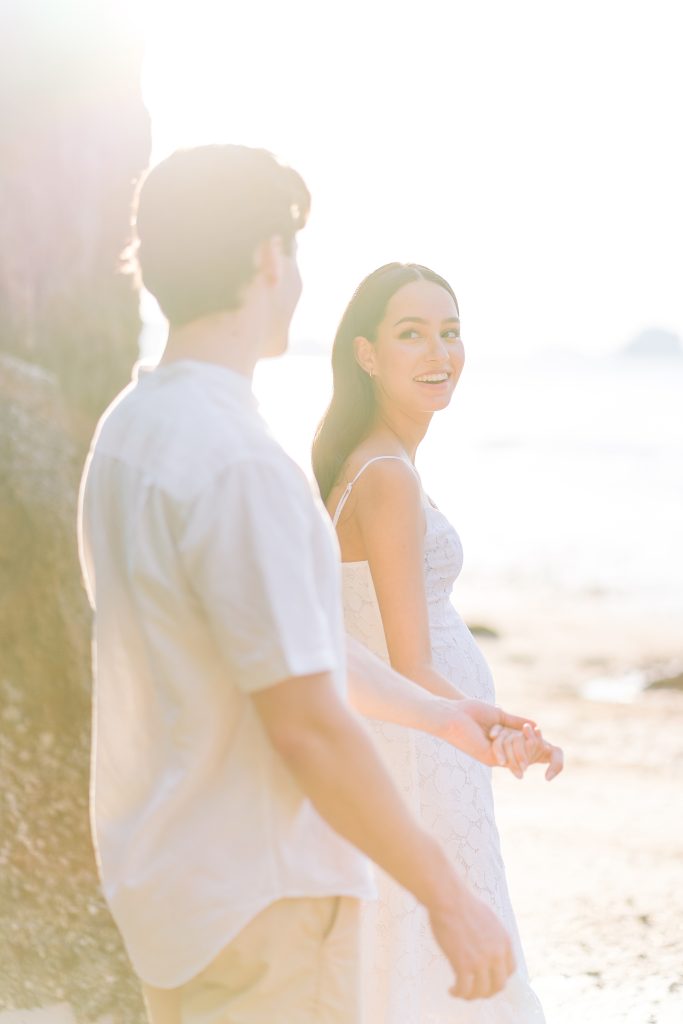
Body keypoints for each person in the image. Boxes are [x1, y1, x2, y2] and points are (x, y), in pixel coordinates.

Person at [78, 147, 557, 1024]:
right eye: (291, 249)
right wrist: (446, 897)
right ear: (268, 259)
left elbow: (299, 646)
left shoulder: (130, 431)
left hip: (166, 886)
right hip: (258, 894)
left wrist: (444, 715)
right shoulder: (238, 462)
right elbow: (305, 723)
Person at [313, 262, 562, 1022]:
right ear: (366, 354)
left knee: (411, 944)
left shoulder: (371, 461)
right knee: (439, 956)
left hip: (412, 741)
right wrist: (495, 726)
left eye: (450, 333)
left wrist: (492, 720)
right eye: (412, 334)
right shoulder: (385, 475)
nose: (439, 353)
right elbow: (408, 658)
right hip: (422, 752)